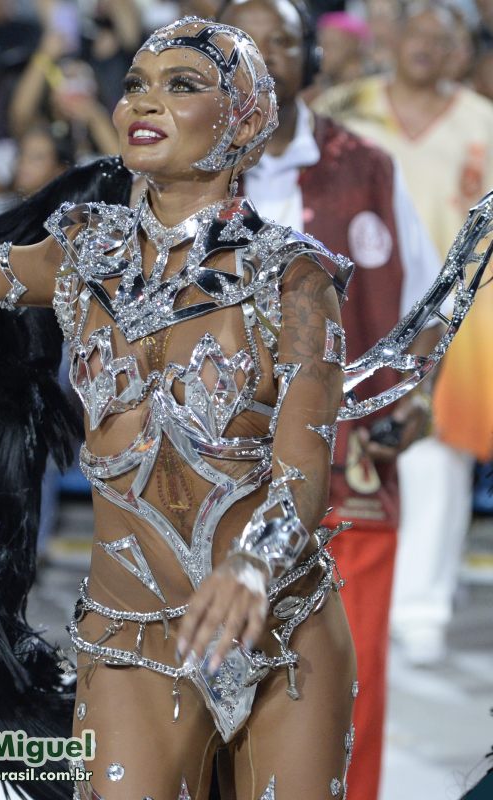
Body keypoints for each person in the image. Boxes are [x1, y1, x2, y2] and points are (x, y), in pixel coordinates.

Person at [0, 17, 489, 800]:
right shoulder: (86, 252)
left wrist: (251, 569)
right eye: (135, 84)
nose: (144, 102)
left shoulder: (293, 278)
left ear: (245, 119)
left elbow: (301, 468)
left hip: (281, 632)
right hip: (129, 641)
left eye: (182, 86)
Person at [219, 2, 443, 798]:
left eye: (282, 38)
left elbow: (421, 305)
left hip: (349, 474)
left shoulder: (368, 167)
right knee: (205, 678)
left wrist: (412, 399)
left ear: (312, 58)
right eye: (242, 38)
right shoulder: (178, 169)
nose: (264, 54)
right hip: (211, 478)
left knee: (348, 682)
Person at [314, 2, 493, 668]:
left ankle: (421, 609)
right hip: (350, 301)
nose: (426, 48)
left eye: (441, 40)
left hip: (456, 318)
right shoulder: (347, 107)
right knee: (339, 438)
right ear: (394, 41)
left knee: (439, 452)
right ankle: (333, 587)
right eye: (416, 34)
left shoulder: (484, 124)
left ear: (462, 54)